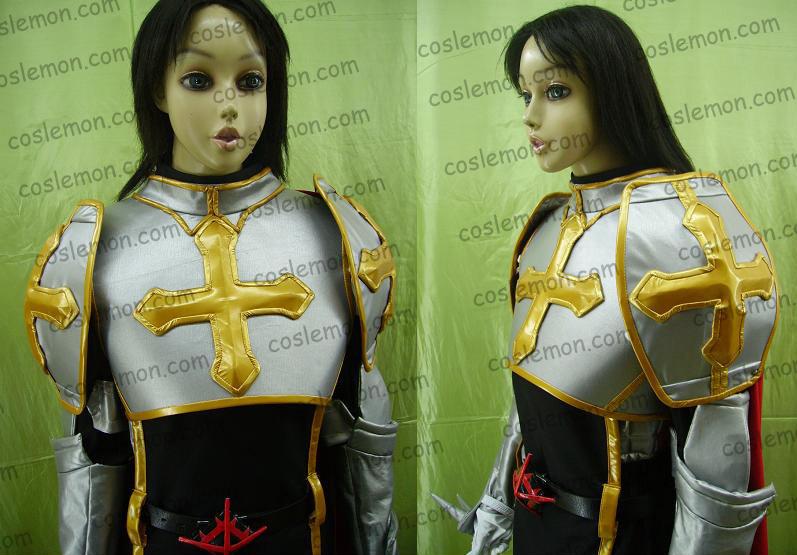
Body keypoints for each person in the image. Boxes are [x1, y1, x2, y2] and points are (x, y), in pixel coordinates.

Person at [22, 1, 399, 554]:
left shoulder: (339, 237)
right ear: (158, 90)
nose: (229, 105)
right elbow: (95, 454)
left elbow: (362, 441)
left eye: (250, 81)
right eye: (198, 79)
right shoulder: (92, 252)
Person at [433, 5, 777, 555]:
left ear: (614, 91)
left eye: (555, 92)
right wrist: (498, 511)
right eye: (525, 94)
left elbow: (716, 469)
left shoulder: (682, 232)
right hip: (538, 529)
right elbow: (534, 402)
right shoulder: (549, 225)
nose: (530, 117)